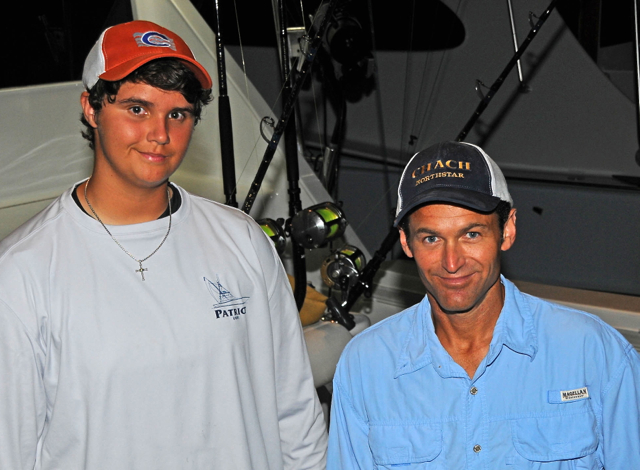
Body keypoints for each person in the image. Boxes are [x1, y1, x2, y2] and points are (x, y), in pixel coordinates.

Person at [0, 20, 327, 469]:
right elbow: (11, 448)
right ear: (91, 109)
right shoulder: (22, 271)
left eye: (178, 113)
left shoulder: (243, 242)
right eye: (137, 109)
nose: (161, 133)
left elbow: (295, 415)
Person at [327, 141, 640, 468]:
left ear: (507, 231)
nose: (451, 262)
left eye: (471, 234)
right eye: (431, 238)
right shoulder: (365, 366)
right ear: (406, 242)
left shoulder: (594, 353)